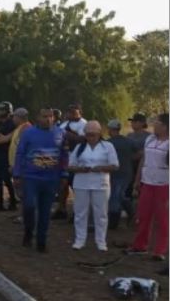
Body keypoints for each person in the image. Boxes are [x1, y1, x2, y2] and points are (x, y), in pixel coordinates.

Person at [12, 107, 67, 253]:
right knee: (29, 206)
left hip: (51, 179)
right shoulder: (28, 133)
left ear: (54, 118)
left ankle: (41, 241)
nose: (47, 119)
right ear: (38, 117)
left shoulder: (60, 133)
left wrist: (64, 175)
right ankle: (28, 232)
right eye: (44, 116)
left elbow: (63, 156)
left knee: (45, 211)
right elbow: (20, 153)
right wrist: (17, 174)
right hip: (31, 178)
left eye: (50, 116)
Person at [67, 121, 119, 251]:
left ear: (99, 133)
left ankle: (101, 241)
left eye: (93, 135)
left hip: (101, 183)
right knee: (80, 212)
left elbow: (115, 165)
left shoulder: (107, 146)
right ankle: (80, 240)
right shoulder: (80, 147)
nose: (90, 137)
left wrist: (101, 167)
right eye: (88, 135)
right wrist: (80, 169)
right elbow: (70, 165)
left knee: (101, 213)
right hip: (81, 183)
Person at [125, 113, 169, 264]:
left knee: (162, 218)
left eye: (157, 123)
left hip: (163, 185)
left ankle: (160, 250)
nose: (154, 125)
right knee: (143, 215)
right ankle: (140, 245)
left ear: (164, 126)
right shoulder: (150, 139)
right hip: (147, 183)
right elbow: (144, 159)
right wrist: (137, 180)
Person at [54, 103, 88, 220]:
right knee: (62, 185)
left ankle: (77, 212)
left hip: (76, 158)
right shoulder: (64, 124)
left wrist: (67, 134)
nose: (71, 113)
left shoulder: (83, 124)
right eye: (69, 111)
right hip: (63, 157)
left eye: (74, 111)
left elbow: (83, 139)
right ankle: (61, 209)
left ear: (80, 112)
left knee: (76, 186)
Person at [107, 119, 136, 229]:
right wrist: (129, 159)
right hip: (127, 172)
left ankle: (114, 222)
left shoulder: (108, 143)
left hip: (115, 173)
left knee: (115, 196)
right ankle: (131, 213)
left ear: (110, 129)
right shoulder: (128, 141)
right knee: (119, 195)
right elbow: (139, 153)